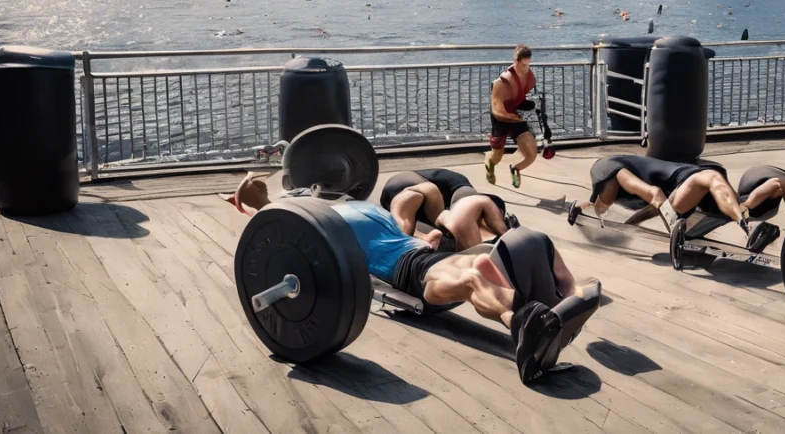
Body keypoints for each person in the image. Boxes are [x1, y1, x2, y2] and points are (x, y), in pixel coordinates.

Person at [229, 179, 595, 384]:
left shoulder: (374, 212)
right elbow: (280, 226)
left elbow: (412, 202)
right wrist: (249, 200)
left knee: (504, 251)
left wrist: (429, 234)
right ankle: (522, 326)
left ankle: (562, 304)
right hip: (407, 273)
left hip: (421, 254)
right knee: (472, 277)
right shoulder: (323, 229)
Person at [566, 155, 785, 253]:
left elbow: (655, 195)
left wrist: (672, 233)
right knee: (716, 185)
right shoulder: (614, 178)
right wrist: (582, 210)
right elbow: (653, 204)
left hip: (692, 183)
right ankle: (750, 218)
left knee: (711, 180)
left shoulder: (612, 170)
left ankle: (746, 222)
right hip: (695, 189)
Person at [379, 168, 515, 249]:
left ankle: (413, 240)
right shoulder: (466, 191)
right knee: (445, 215)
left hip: (391, 198)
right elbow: (464, 216)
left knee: (417, 227)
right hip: (414, 182)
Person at [485, 44, 538, 188]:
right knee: (497, 154)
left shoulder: (529, 77)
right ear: (515, 61)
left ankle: (516, 168)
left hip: (515, 116)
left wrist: (523, 103)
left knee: (531, 152)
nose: (525, 68)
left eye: (528, 64)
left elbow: (518, 95)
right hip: (501, 118)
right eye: (523, 65)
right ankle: (489, 163)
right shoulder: (501, 83)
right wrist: (514, 115)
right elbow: (498, 110)